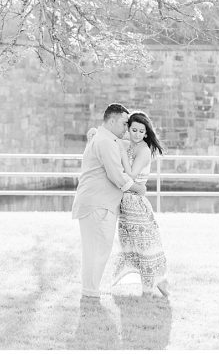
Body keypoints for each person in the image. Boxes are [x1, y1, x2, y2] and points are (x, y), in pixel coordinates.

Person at [71, 103, 147, 298]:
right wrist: (139, 189)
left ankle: (91, 290)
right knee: (96, 250)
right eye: (124, 123)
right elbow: (117, 174)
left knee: (98, 249)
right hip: (98, 205)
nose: (126, 128)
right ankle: (89, 291)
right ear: (112, 120)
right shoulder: (105, 141)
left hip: (99, 204)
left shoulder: (105, 138)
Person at [110, 112, 170, 296]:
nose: (136, 134)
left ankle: (150, 288)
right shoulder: (129, 145)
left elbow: (131, 175)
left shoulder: (143, 150)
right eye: (133, 129)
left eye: (140, 131)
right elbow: (111, 140)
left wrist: (121, 153)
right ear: (128, 129)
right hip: (126, 203)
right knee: (132, 245)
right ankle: (156, 284)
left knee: (146, 246)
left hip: (136, 203)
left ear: (146, 133)